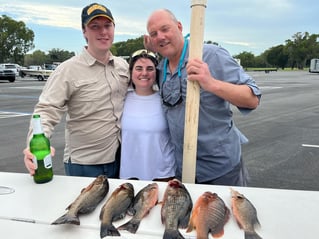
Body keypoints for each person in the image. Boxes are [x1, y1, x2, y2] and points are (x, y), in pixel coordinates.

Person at [144, 9, 262, 186]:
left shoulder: (211, 55)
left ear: (179, 27)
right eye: (154, 34)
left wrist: (211, 83)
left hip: (221, 170)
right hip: (183, 170)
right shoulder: (161, 69)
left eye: (165, 29)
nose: (160, 36)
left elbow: (252, 99)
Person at [23, 3, 130, 178]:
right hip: (84, 164)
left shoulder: (122, 66)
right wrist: (33, 145)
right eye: (95, 27)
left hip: (120, 159)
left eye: (107, 26)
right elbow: (47, 110)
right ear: (84, 31)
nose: (103, 32)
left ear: (114, 28)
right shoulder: (68, 70)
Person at [119, 49, 176, 181]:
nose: (144, 73)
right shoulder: (121, 99)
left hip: (163, 175)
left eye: (150, 68)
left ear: (156, 73)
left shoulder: (166, 100)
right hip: (130, 175)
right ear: (131, 72)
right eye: (139, 68)